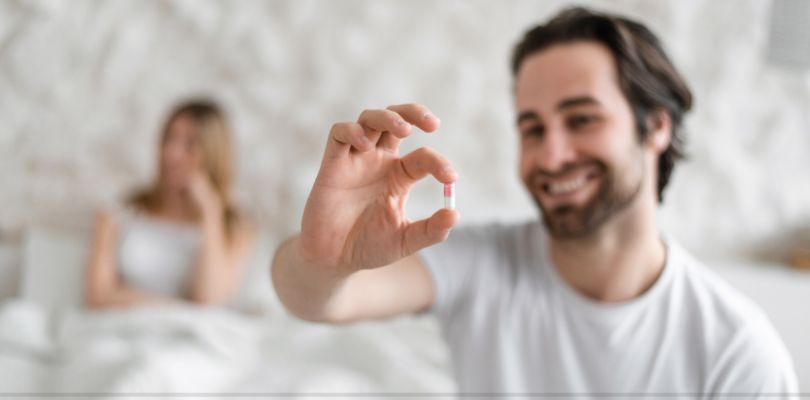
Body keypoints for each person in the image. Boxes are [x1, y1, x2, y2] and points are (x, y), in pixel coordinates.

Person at [271, 7, 798, 394]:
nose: (552, 155)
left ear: (655, 126)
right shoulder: (481, 265)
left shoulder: (737, 354)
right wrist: (325, 257)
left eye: (582, 119)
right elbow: (315, 300)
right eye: (532, 128)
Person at [86, 100, 254, 308]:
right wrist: (177, 308)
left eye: (189, 144)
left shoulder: (234, 226)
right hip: (124, 328)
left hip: (190, 336)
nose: (171, 153)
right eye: (168, 139)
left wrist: (211, 213)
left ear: (213, 153)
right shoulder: (118, 214)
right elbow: (98, 297)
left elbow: (210, 300)